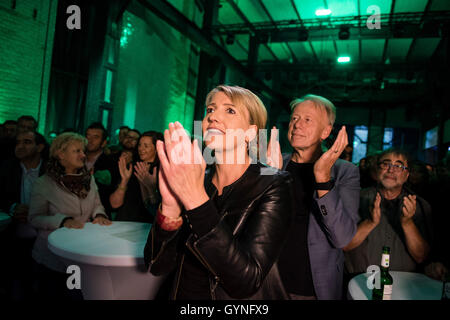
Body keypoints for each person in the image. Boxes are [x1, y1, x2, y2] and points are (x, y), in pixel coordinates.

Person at [144, 85, 294, 300]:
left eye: (230, 110)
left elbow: (246, 282)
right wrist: (169, 208)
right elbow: (156, 266)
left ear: (251, 133)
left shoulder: (274, 185)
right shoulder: (197, 179)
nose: (213, 117)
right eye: (210, 110)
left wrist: (195, 200)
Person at [269, 94, 360, 300]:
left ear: (326, 131)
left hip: (310, 288)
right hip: (268, 282)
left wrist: (323, 179)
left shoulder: (345, 172)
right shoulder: (272, 163)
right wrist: (267, 174)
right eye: (294, 118)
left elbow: (343, 238)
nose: (297, 125)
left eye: (307, 120)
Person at [28, 132, 112, 299]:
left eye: (83, 151)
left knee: (76, 294)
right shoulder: (44, 183)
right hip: (51, 256)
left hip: (80, 252)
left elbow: (97, 204)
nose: (83, 155)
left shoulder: (89, 179)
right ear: (61, 154)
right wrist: (62, 220)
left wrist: (99, 215)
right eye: (77, 151)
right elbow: (34, 218)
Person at [344, 148, 432, 276]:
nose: (391, 170)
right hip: (359, 281)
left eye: (398, 166)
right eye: (386, 164)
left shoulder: (420, 206)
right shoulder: (355, 199)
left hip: (404, 285)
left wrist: (407, 223)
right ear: (376, 171)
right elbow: (344, 245)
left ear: (407, 175)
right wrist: (370, 222)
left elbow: (421, 256)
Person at [0, 130, 48, 299]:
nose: (20, 146)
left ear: (40, 147)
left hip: (44, 237)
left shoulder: (51, 170)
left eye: (27, 142)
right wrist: (13, 207)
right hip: (12, 236)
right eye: (18, 142)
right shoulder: (6, 168)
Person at [109, 131, 163, 222]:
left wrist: (150, 187)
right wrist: (124, 181)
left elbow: (159, 211)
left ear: (157, 148)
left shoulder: (162, 171)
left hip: (146, 225)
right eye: (139, 145)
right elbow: (114, 204)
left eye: (146, 146)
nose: (141, 149)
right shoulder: (130, 168)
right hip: (125, 221)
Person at [85, 122, 115, 218]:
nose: (90, 140)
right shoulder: (76, 159)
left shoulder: (111, 163)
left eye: (95, 137)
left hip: (100, 214)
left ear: (104, 142)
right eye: (88, 136)